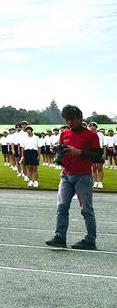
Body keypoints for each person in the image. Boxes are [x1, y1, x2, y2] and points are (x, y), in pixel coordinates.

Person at [46, 105, 101, 250]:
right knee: (62, 206)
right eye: (67, 120)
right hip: (66, 174)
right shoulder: (64, 134)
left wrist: (80, 152)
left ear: (80, 119)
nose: (69, 123)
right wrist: (56, 150)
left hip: (83, 175)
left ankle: (90, 239)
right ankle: (60, 236)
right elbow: (62, 149)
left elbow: (98, 156)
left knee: (86, 209)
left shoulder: (91, 135)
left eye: (72, 120)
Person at [87, 122, 105, 189]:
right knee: (93, 168)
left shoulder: (100, 134)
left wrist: (104, 153)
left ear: (96, 127)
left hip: (99, 150)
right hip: (91, 151)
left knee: (99, 168)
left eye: (94, 125)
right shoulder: (88, 134)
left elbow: (104, 145)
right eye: (90, 126)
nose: (92, 127)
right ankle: (95, 182)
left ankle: (100, 182)